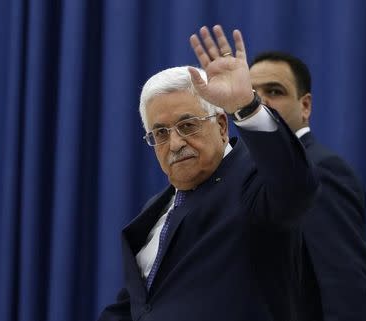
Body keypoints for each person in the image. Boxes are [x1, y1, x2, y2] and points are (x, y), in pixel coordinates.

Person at [98, 26, 319, 321]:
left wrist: (246, 107)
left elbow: (294, 186)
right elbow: (140, 305)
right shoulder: (157, 208)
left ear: (221, 126)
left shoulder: (254, 183)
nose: (175, 143)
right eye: (160, 133)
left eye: (188, 125)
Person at [249, 51, 366, 321]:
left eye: (274, 91)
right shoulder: (245, 172)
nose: (260, 103)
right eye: (251, 93)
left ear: (305, 106)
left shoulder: (321, 168)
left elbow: (342, 283)